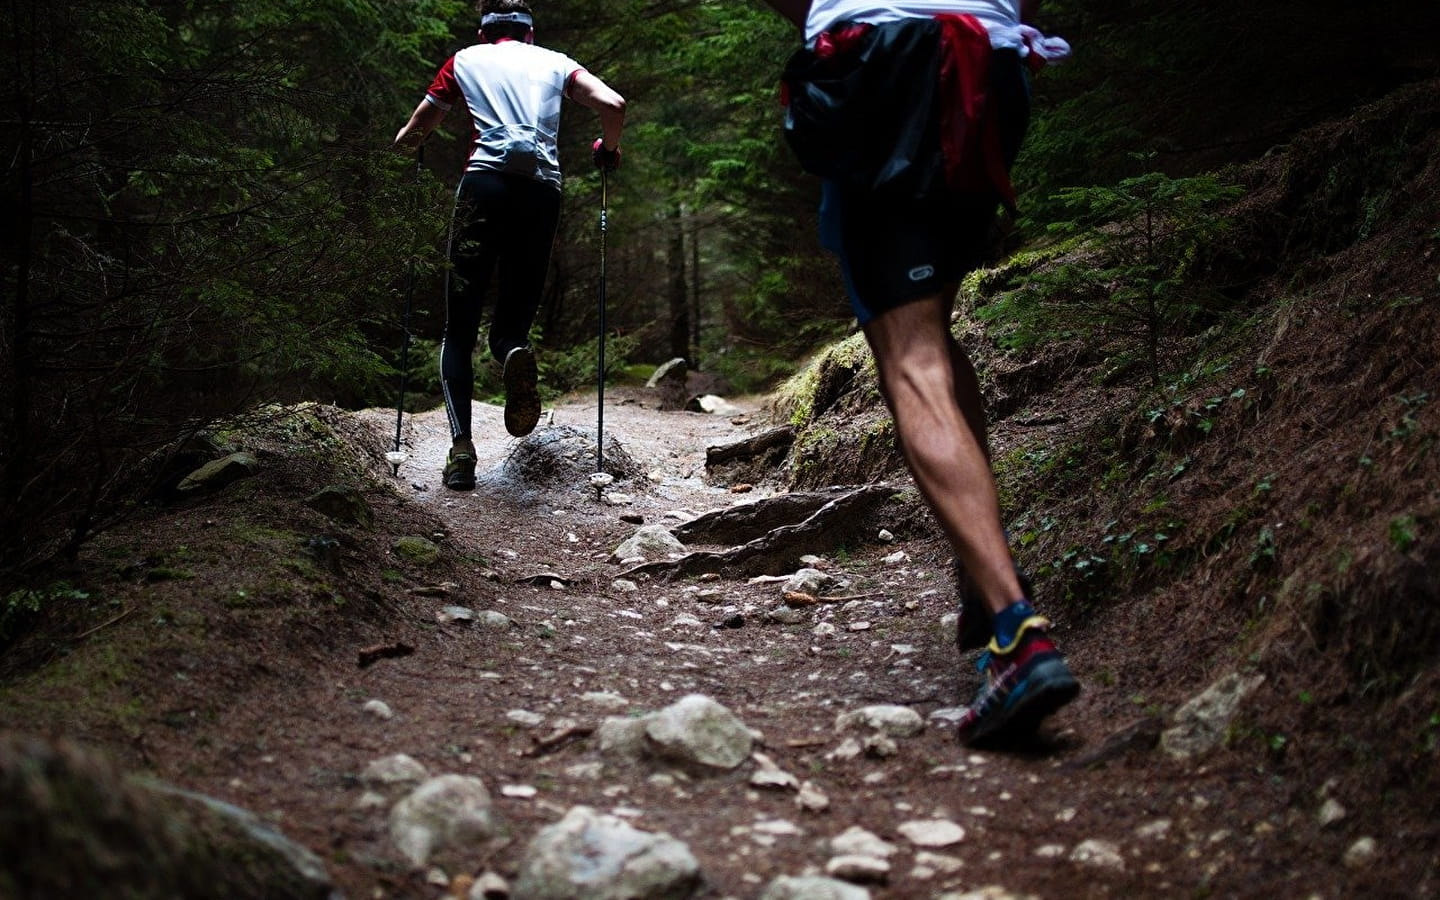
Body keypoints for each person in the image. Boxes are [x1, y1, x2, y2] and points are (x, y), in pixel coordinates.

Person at [763, 0, 1078, 746]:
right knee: (930, 331)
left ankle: (1015, 632)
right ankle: (983, 576)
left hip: (881, 60)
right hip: (992, 66)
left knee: (910, 355)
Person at [393, 0, 625, 490]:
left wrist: (409, 142)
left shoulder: (464, 61)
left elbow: (416, 131)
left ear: (483, 33)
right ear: (530, 34)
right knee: (513, 320)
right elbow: (613, 105)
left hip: (483, 188)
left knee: (458, 325)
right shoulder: (557, 63)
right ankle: (512, 352)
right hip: (541, 192)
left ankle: (461, 452)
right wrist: (608, 147)